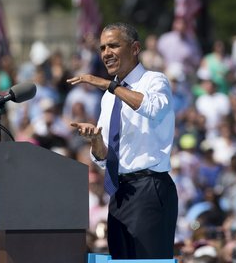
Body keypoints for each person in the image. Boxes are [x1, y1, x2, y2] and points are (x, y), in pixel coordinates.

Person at [69, 22, 178, 259]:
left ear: (135, 48)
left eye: (114, 46)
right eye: (102, 48)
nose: (106, 53)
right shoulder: (108, 99)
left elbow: (152, 108)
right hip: (119, 193)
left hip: (150, 187)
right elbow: (103, 158)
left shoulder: (155, 81)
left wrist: (110, 85)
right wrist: (95, 141)